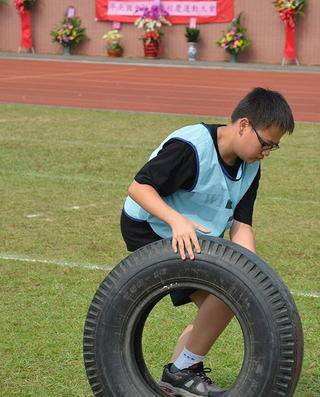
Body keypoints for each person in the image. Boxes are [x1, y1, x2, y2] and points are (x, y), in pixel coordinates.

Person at [120, 87, 294, 397]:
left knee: (232, 294)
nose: (266, 152)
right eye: (265, 143)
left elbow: (241, 225)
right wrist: (176, 220)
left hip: (194, 233)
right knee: (226, 296)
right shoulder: (192, 147)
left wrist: (251, 270)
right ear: (243, 125)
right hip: (151, 227)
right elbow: (139, 188)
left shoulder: (250, 166)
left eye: (273, 147)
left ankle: (178, 376)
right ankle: (182, 371)